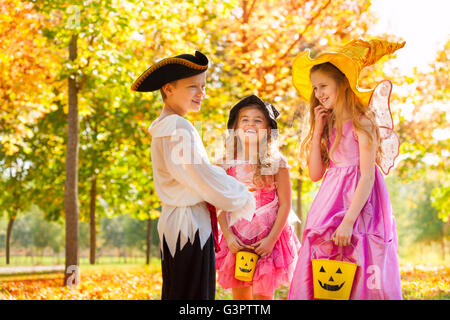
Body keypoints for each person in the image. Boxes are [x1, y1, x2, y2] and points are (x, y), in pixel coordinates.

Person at [131, 51, 256, 300]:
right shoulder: (177, 127)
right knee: (193, 296)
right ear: (168, 89)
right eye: (192, 87)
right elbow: (199, 176)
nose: (201, 93)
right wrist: (240, 194)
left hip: (179, 221)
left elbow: (195, 171)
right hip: (188, 226)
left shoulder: (169, 126)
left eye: (203, 86)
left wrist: (218, 174)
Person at [288, 39, 405, 300]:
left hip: (360, 203)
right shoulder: (329, 124)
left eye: (324, 86)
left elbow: (367, 175)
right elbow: (315, 174)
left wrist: (349, 220)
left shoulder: (362, 122)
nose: (318, 93)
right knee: (324, 257)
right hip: (330, 199)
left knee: (360, 254)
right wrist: (318, 128)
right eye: (315, 88)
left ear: (342, 84)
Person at [215, 94, 300, 300]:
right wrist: (228, 236)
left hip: (268, 236)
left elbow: (285, 204)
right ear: (235, 128)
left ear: (268, 130)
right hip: (237, 235)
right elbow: (220, 205)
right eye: (244, 119)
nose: (250, 124)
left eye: (257, 120)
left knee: (263, 294)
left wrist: (271, 240)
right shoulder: (225, 163)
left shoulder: (276, 162)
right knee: (241, 295)